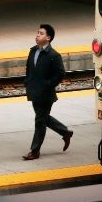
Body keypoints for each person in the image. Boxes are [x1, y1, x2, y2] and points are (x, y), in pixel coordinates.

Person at [22, 23, 71, 161]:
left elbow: (60, 73)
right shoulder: (33, 51)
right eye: (37, 33)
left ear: (48, 38)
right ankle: (65, 132)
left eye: (41, 33)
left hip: (45, 94)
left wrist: (48, 85)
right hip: (34, 92)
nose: (37, 35)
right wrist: (27, 81)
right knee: (43, 118)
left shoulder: (53, 55)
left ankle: (35, 151)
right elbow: (29, 68)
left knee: (39, 121)